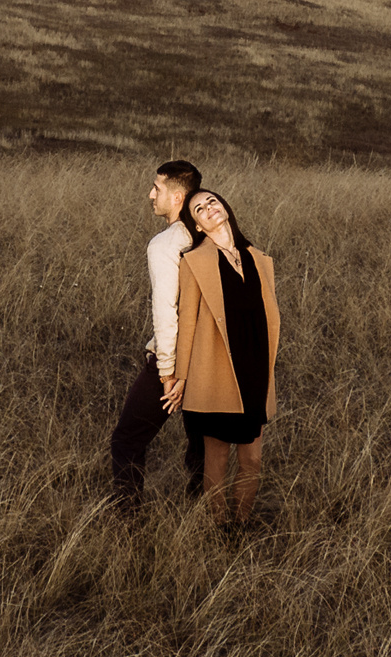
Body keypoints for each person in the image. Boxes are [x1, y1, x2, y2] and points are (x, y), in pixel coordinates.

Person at [172, 189, 281, 530]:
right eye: (199, 210)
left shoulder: (259, 259)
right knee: (216, 460)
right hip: (215, 372)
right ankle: (220, 530)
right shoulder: (194, 262)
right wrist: (181, 379)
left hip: (255, 370)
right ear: (198, 226)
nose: (208, 209)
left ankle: (242, 524)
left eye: (212, 202)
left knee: (252, 459)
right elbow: (186, 323)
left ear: (226, 208)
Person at [107, 159, 204, 511]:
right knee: (202, 443)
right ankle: (204, 514)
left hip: (176, 358)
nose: (150, 195)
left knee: (127, 440)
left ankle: (129, 523)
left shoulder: (165, 244)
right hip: (209, 357)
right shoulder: (211, 234)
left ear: (178, 197)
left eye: (157, 189)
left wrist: (166, 372)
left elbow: (167, 314)